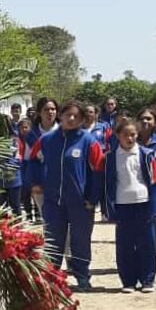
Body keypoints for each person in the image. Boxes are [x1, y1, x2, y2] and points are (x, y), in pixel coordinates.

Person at [28, 100, 103, 291]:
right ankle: (52, 278)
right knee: (53, 241)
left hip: (81, 204)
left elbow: (98, 171)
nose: (71, 118)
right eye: (67, 114)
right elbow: (32, 160)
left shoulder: (89, 142)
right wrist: (35, 182)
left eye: (76, 116)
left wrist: (92, 199)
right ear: (60, 116)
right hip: (53, 202)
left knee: (80, 242)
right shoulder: (47, 140)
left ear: (81, 119)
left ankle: (82, 276)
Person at [101, 118, 156, 292]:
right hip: (122, 205)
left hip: (144, 203)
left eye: (133, 135)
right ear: (118, 135)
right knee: (125, 245)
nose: (130, 138)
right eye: (126, 135)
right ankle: (128, 281)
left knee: (147, 243)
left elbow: (155, 181)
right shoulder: (111, 157)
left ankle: (148, 280)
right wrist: (108, 208)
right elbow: (107, 184)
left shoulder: (147, 154)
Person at [24, 97, 58, 222]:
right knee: (48, 222)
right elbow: (27, 162)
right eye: (46, 109)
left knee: (65, 223)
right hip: (41, 186)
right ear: (39, 112)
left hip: (63, 185)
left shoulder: (64, 132)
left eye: (53, 109)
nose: (50, 112)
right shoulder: (31, 135)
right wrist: (33, 184)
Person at [18, 117, 35, 221]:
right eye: (21, 128)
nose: (24, 130)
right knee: (25, 192)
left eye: (26, 127)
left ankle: (37, 214)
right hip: (23, 165)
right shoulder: (18, 139)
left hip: (33, 164)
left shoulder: (34, 138)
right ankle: (29, 215)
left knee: (35, 190)